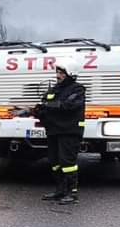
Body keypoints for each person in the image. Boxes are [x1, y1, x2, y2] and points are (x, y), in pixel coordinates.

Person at [31, 57, 86, 204]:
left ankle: (72, 193)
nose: (58, 75)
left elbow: (68, 106)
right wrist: (34, 111)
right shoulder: (53, 89)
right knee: (55, 161)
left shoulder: (78, 89)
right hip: (54, 131)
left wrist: (48, 106)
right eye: (57, 72)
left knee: (67, 162)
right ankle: (60, 190)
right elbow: (46, 107)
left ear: (70, 73)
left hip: (69, 131)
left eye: (61, 72)